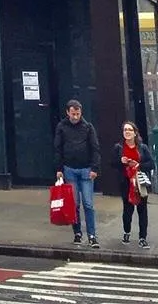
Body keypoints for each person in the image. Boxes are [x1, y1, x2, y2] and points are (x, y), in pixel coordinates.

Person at [53, 98, 101, 247]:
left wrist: (95, 168)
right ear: (67, 112)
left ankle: (92, 235)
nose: (75, 117)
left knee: (88, 204)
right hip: (69, 169)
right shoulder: (61, 127)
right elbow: (58, 148)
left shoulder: (88, 127)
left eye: (78, 114)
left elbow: (95, 148)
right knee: (74, 204)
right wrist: (59, 169)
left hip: (86, 169)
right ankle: (77, 233)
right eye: (73, 114)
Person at [115, 121, 153, 247]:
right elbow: (112, 164)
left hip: (140, 182)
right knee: (127, 209)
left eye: (130, 130)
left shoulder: (142, 147)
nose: (127, 132)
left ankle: (142, 237)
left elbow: (151, 164)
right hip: (126, 182)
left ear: (135, 133)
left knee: (142, 210)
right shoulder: (119, 147)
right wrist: (120, 161)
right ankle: (127, 232)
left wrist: (138, 165)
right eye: (125, 130)